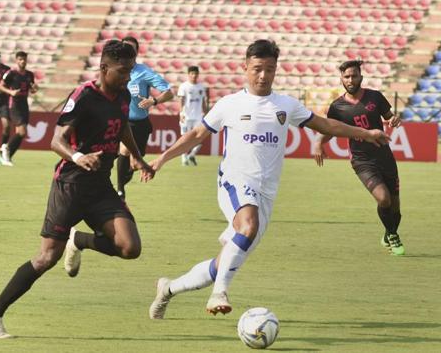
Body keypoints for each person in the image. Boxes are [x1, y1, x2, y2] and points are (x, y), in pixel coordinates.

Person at [147, 39, 390, 319]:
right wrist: (162, 159)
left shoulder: (285, 105)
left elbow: (325, 125)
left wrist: (367, 133)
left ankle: (168, 289)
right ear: (245, 68)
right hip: (234, 182)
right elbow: (196, 135)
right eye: (257, 69)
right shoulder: (230, 104)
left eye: (270, 69)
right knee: (247, 226)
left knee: (222, 262)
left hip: (266, 192)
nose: (263, 75)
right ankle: (220, 293)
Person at [0, 40, 154, 339]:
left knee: (130, 247)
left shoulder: (124, 94)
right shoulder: (84, 95)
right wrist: (78, 157)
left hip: (101, 187)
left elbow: (123, 126)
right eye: (123, 71)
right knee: (47, 258)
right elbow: (55, 140)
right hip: (70, 185)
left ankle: (80, 240)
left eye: (131, 70)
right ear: (104, 68)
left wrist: (138, 158)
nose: (128, 77)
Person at [312, 60, 405, 256]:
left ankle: (389, 233)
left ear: (361, 77)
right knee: (384, 198)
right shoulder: (337, 107)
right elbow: (331, 129)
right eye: (347, 76)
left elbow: (389, 117)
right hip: (362, 161)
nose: (350, 80)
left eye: (354, 76)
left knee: (395, 208)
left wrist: (393, 119)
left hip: (385, 156)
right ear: (341, 79)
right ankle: (394, 237)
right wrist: (319, 142)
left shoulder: (375, 97)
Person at [116, 36, 173, 200]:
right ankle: (119, 191)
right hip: (122, 121)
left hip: (140, 123)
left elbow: (169, 92)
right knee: (123, 150)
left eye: (131, 48)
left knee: (134, 164)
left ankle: (122, 183)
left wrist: (153, 101)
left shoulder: (144, 72)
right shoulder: (115, 70)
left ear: (136, 52)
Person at [0, 51, 38, 166]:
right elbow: (1, 86)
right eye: (20, 59)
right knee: (22, 131)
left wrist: (35, 88)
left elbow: (32, 90)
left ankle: (7, 157)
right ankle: (5, 148)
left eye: (24, 59)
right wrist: (11, 92)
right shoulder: (11, 73)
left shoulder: (29, 75)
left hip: (24, 104)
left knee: (21, 134)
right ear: (16, 60)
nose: (23, 61)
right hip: (14, 104)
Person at [177, 65, 207, 166]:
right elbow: (181, 100)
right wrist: (181, 113)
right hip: (186, 115)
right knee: (185, 138)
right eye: (192, 74)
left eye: (195, 74)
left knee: (200, 137)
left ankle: (192, 155)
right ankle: (184, 157)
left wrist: (205, 113)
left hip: (198, 116)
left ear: (198, 75)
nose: (194, 76)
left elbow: (203, 101)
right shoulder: (184, 86)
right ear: (188, 75)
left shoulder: (201, 87)